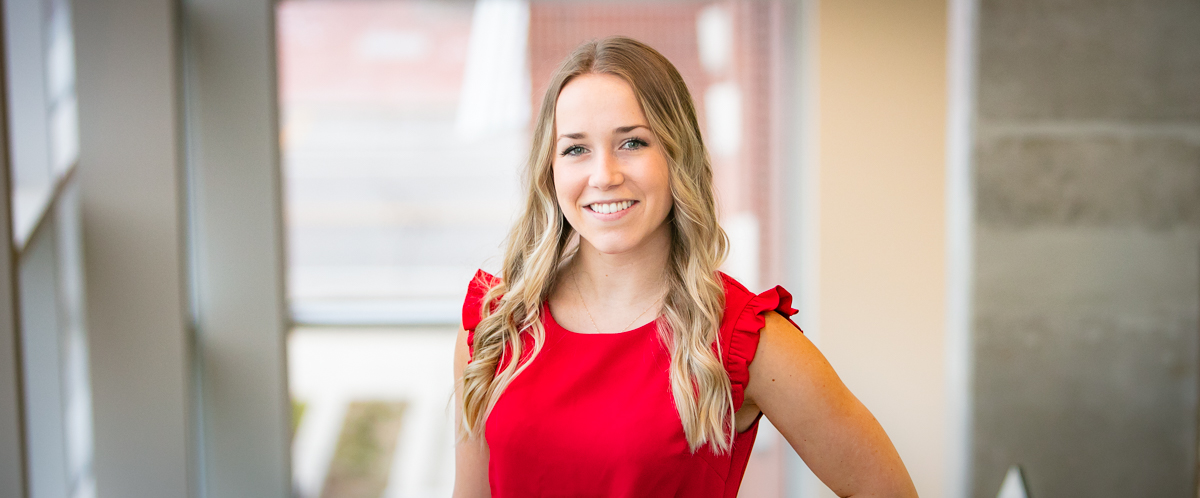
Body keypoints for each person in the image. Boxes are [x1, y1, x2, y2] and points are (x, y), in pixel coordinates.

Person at [452, 36, 917, 498]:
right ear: (549, 170)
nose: (604, 175)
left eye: (632, 142)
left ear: (678, 155)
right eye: (576, 149)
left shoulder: (743, 339)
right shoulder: (496, 322)